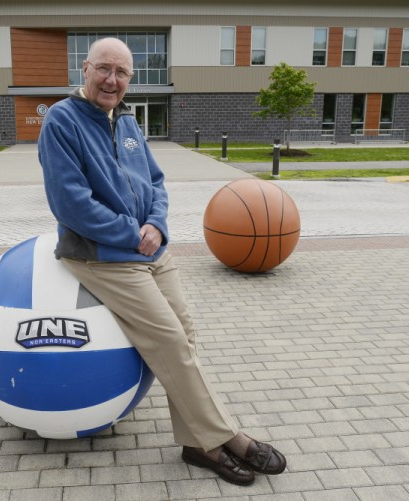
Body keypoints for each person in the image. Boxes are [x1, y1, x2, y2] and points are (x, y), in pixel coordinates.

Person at [37, 37, 286, 485]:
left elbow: (155, 181)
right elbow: (70, 203)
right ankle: (227, 437)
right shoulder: (62, 121)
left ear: (130, 79)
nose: (112, 80)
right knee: (170, 340)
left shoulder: (128, 120)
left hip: (149, 249)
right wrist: (133, 234)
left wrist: (157, 224)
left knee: (185, 332)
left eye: (123, 73)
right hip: (100, 256)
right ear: (86, 68)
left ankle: (196, 443)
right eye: (104, 69)